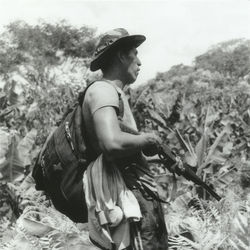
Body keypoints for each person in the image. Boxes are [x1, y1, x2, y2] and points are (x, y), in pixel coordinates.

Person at [82, 28, 168, 250]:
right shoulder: (102, 90)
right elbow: (112, 143)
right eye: (134, 54)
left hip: (137, 195)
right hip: (126, 198)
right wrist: (148, 140)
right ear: (121, 55)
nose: (139, 62)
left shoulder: (118, 94)